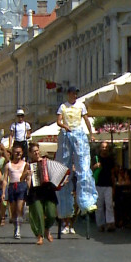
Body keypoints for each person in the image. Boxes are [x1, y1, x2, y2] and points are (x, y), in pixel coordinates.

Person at [55, 86, 99, 218]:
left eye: (76, 94)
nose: (74, 96)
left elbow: (86, 120)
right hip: (67, 134)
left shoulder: (81, 105)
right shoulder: (63, 106)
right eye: (73, 93)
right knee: (64, 167)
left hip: (78, 134)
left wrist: (91, 134)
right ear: (68, 94)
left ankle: (87, 200)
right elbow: (58, 121)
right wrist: (64, 126)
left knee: (83, 165)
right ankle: (64, 207)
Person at [26, 143, 59, 245]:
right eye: (34, 151)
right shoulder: (29, 165)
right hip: (35, 192)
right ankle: (40, 236)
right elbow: (23, 179)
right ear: (30, 153)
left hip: (48, 191)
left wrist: (61, 182)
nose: (36, 152)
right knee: (38, 215)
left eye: (37, 150)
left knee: (52, 214)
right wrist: (27, 175)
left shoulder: (46, 162)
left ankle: (46, 228)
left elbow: (56, 174)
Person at [4, 144, 31, 239]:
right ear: (13, 153)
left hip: (21, 186)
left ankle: (18, 229)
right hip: (12, 186)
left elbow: (28, 178)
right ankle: (16, 226)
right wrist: (3, 192)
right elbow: (5, 179)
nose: (18, 153)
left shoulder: (25, 164)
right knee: (13, 210)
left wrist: (29, 188)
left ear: (22, 153)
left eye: (19, 152)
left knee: (20, 208)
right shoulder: (8, 165)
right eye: (16, 152)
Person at [93, 141, 117, 232]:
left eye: (106, 147)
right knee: (99, 206)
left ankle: (110, 223)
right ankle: (100, 224)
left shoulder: (110, 159)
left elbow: (113, 173)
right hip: (98, 184)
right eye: (103, 147)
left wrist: (114, 185)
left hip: (108, 184)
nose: (104, 149)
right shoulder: (96, 158)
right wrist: (95, 166)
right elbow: (90, 170)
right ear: (100, 148)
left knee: (109, 204)